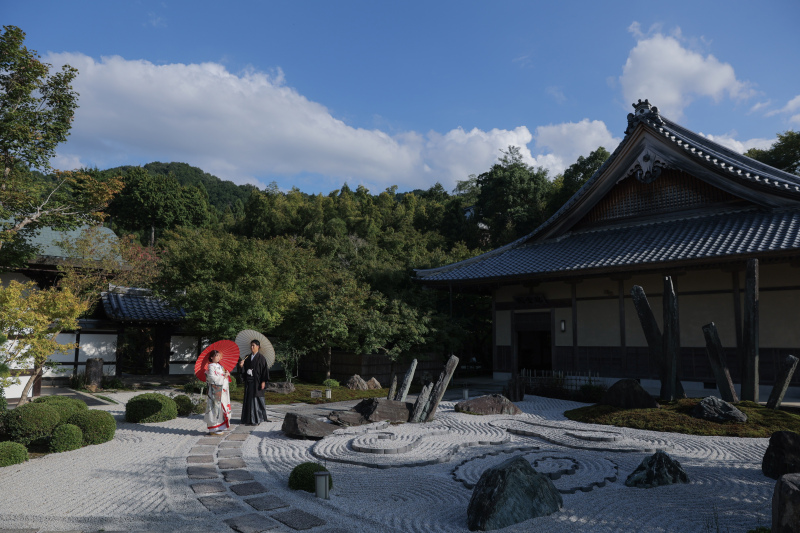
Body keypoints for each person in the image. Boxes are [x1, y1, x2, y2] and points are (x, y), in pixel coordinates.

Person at [238, 339, 269, 425]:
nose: (251, 347)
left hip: (257, 381)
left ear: (258, 347)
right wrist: (242, 366)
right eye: (251, 345)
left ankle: (257, 418)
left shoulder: (261, 358)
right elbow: (244, 370)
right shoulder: (247, 357)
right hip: (249, 381)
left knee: (256, 398)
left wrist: (263, 381)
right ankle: (247, 418)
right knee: (248, 398)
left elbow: (264, 371)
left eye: (253, 345)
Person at [204, 350, 231, 435]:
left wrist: (226, 375)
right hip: (214, 390)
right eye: (216, 356)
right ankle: (213, 429)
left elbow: (223, 377)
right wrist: (223, 377)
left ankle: (219, 427)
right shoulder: (210, 366)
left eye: (219, 356)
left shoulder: (220, 366)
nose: (218, 357)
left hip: (222, 390)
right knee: (214, 408)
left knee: (221, 409)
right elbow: (212, 378)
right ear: (211, 357)